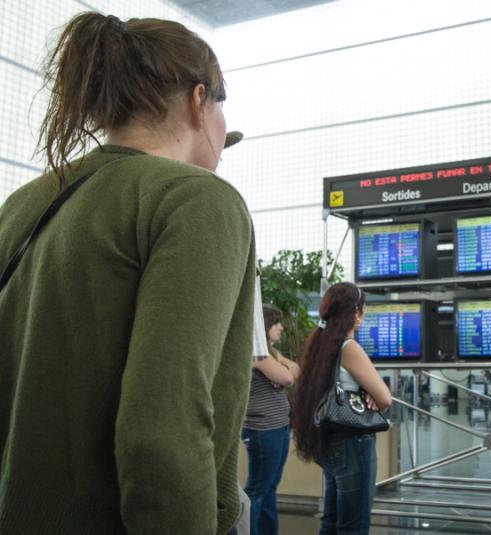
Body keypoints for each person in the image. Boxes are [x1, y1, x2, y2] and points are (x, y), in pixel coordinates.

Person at [0, 13, 256, 535]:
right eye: (223, 106)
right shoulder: (195, 199)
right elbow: (164, 429)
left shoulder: (24, 204)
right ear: (198, 99)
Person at [291, 282, 392, 535]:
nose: (363, 314)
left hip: (329, 439)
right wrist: (370, 393)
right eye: (362, 308)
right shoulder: (349, 348)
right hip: (353, 442)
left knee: (332, 521)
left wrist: (368, 392)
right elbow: (385, 398)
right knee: (353, 526)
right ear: (354, 311)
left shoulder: (319, 343)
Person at [242, 302, 300, 535]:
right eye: (275, 323)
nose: (281, 328)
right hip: (263, 430)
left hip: (278, 428)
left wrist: (284, 370)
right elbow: (287, 378)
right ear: (263, 325)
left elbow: (294, 369)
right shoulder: (257, 352)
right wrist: (283, 372)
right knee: (258, 489)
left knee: (269, 487)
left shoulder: (271, 352)